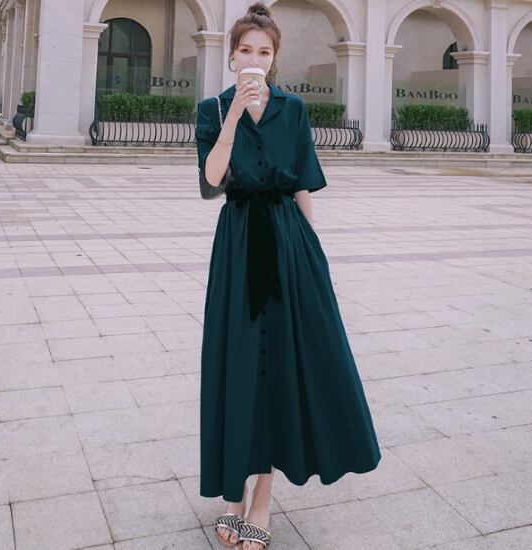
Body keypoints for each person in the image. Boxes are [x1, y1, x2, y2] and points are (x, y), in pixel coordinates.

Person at [194, 3, 382, 549]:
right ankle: (234, 489)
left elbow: (302, 183)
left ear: (274, 58)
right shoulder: (213, 109)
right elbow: (211, 182)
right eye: (246, 50)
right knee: (237, 364)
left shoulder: (294, 110)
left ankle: (262, 497)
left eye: (265, 51)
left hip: (287, 242)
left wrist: (313, 260)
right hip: (238, 244)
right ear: (232, 56)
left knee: (280, 366)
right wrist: (233, 117)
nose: (254, 59)